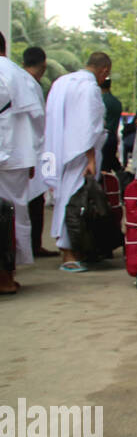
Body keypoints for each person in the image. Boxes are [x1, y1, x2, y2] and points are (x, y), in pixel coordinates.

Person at [43, 51, 110, 271]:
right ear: (104, 71)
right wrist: (90, 158)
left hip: (59, 149)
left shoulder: (62, 81)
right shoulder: (89, 88)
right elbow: (89, 126)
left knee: (64, 197)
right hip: (80, 154)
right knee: (75, 202)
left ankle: (74, 247)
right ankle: (68, 251)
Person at [0, 47, 46, 291]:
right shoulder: (19, 76)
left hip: (12, 154)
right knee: (12, 214)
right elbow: (37, 119)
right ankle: (6, 277)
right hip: (14, 155)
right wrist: (33, 155)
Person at [18, 47, 52, 257]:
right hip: (29, 150)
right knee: (33, 200)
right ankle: (31, 246)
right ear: (44, 65)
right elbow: (37, 120)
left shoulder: (18, 78)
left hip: (20, 148)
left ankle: (28, 245)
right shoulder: (30, 84)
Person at [99, 75, 123, 174]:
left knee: (102, 168)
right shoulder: (117, 102)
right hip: (113, 136)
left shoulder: (100, 101)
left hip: (103, 138)